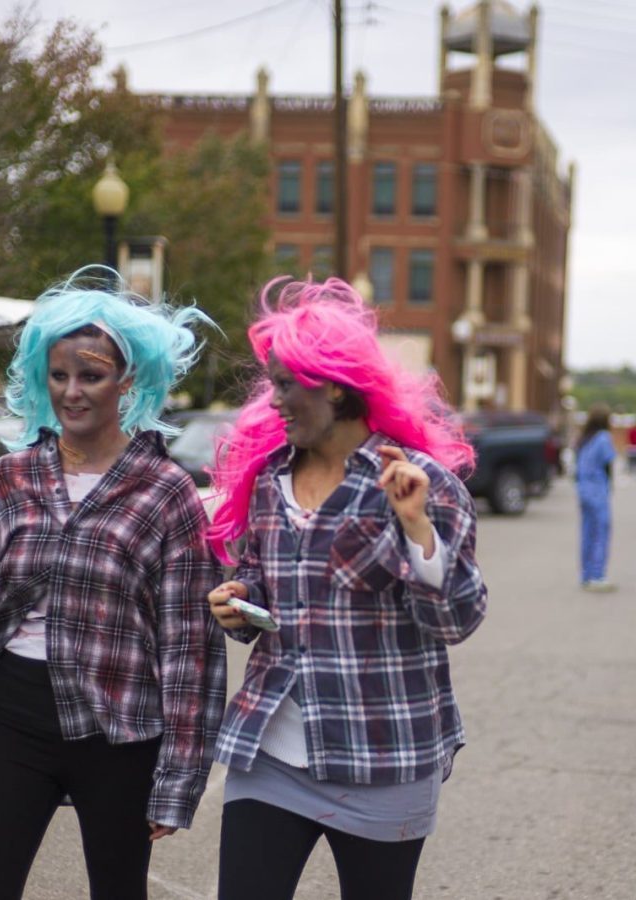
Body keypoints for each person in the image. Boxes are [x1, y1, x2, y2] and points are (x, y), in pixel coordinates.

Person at [205, 277, 488, 900]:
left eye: (285, 384)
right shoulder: (270, 478)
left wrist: (416, 527)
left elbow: (458, 621)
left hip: (383, 751)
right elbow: (261, 577)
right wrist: (240, 604)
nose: (272, 400)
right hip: (273, 751)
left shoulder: (419, 483)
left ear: (332, 383)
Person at [0, 271, 227, 900]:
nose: (72, 392)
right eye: (59, 376)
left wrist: (178, 777)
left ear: (127, 381)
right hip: (16, 710)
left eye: (92, 376)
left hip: (120, 724)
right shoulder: (7, 479)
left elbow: (189, 647)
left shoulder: (165, 492)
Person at [576, 404, 617, 592]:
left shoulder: (584, 439)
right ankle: (597, 575)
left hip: (583, 490)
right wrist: (611, 486)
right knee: (601, 531)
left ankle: (585, 574)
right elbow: (608, 465)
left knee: (587, 532)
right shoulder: (603, 438)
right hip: (597, 490)